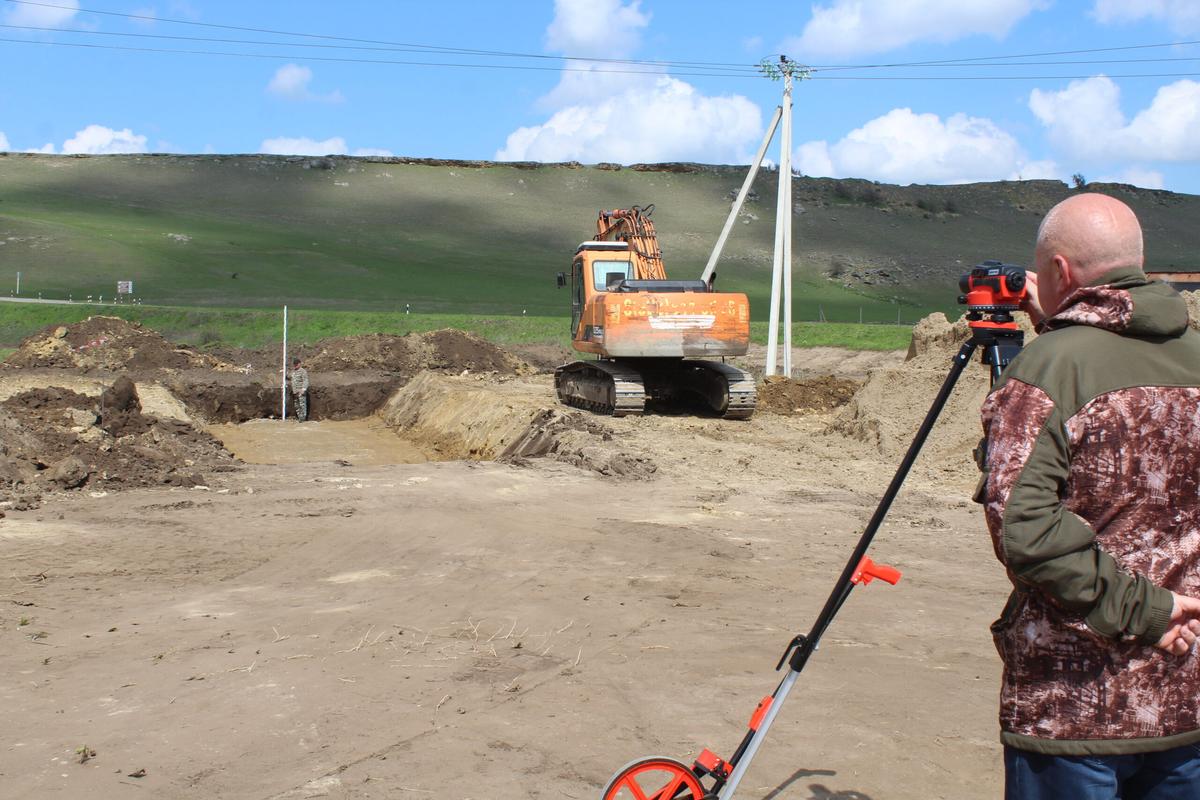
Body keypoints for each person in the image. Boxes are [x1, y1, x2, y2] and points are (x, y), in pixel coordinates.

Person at [976, 192, 1200, 799]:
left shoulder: (1046, 368)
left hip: (1073, 713)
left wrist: (1144, 613)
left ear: (1059, 272)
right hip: (1186, 700)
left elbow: (1025, 528)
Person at [289, 357, 310, 422]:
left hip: (301, 392)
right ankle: (300, 418)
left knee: (302, 406)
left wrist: (303, 389)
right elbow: (289, 377)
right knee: (297, 406)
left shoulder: (303, 371)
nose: (295, 365)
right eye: (294, 364)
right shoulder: (293, 372)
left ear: (299, 364)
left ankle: (303, 419)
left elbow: (305, 380)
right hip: (295, 393)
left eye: (296, 364)